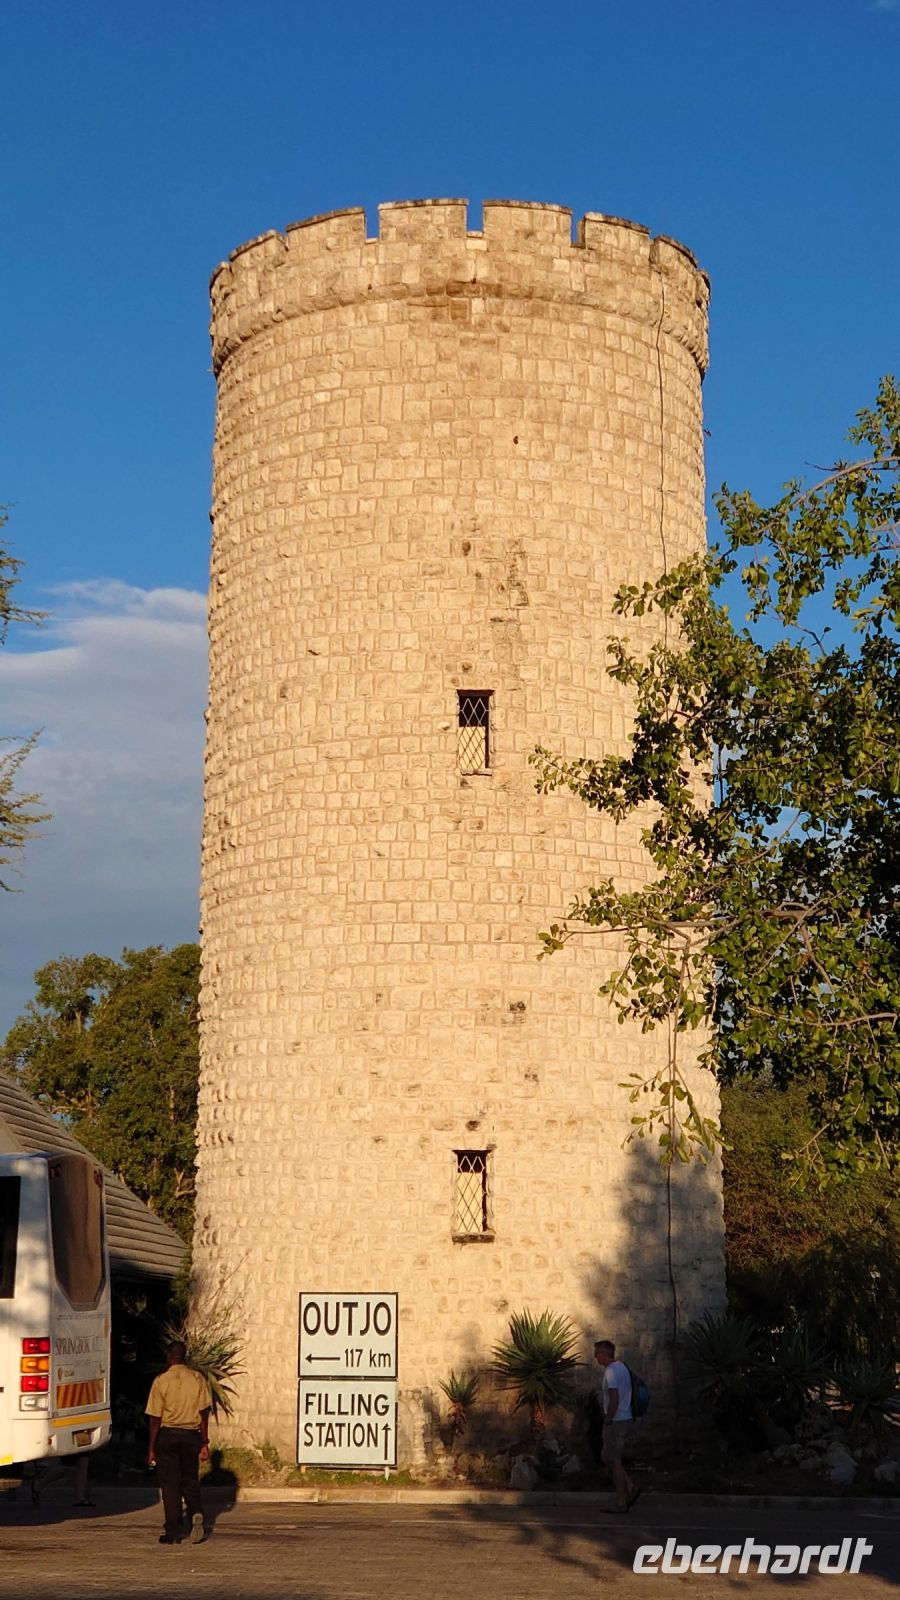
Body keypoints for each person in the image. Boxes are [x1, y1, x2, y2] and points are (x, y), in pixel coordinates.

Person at [145, 1339, 212, 1545]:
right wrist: (204, 1441)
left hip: (168, 1435)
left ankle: (173, 1531)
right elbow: (204, 1412)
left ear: (168, 1357)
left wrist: (151, 1448)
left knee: (170, 1484)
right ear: (184, 1356)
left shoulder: (161, 1381)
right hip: (191, 1435)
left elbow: (155, 1417)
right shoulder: (197, 1379)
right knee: (189, 1478)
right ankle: (196, 1511)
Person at [593, 1338, 640, 1512]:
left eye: (597, 1354)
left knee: (615, 1461)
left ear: (604, 1354)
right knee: (609, 1458)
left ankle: (621, 1501)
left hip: (616, 1421)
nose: (596, 1358)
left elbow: (614, 1398)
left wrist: (608, 1419)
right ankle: (630, 1487)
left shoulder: (611, 1372)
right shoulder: (622, 1367)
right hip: (625, 1419)